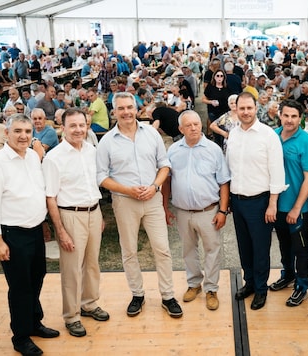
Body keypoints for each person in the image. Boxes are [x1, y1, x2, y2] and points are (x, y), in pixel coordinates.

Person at [96, 92, 183, 318]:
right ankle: (137, 294)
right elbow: (101, 177)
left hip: (152, 199)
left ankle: (167, 295)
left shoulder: (151, 134)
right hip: (125, 202)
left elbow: (165, 165)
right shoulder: (106, 141)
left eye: (129, 107)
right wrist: (127, 190)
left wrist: (154, 187)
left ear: (137, 109)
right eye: (121, 108)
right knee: (129, 251)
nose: (126, 112)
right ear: (113, 112)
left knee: (162, 249)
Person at [0, 114, 60, 356]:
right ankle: (21, 336)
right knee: (20, 287)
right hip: (12, 233)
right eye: (17, 131)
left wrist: (44, 223)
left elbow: (37, 192)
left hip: (35, 230)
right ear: (7, 133)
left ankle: (34, 322)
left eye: (27, 131)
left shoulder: (31, 158)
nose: (23, 136)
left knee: (37, 277)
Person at [43, 108, 109, 338]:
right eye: (73, 126)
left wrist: (98, 214)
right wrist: (60, 230)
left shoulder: (92, 150)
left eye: (82, 125)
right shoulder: (53, 158)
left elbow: (94, 185)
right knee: (71, 269)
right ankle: (71, 316)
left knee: (92, 264)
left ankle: (89, 304)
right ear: (62, 127)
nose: (78, 130)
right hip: (70, 215)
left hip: (93, 212)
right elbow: (50, 196)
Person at [162, 110, 231, 311]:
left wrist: (223, 211)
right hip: (183, 211)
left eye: (196, 124)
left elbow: (223, 182)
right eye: (188, 125)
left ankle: (211, 288)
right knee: (188, 250)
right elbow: (167, 180)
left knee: (212, 250)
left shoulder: (213, 150)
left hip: (208, 211)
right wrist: (165, 207)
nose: (193, 128)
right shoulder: (173, 150)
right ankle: (194, 284)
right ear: (180, 129)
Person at [227, 92, 286, 310]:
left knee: (261, 248)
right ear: (237, 110)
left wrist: (272, 203)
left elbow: (277, 172)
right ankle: (249, 282)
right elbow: (229, 167)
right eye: (241, 108)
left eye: (249, 108)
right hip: (238, 200)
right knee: (244, 246)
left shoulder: (267, 135)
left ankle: (261, 289)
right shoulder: (233, 134)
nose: (245, 112)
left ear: (255, 109)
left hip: (260, 201)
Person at [266, 100, 308, 307]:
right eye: (286, 115)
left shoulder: (306, 141)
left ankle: (302, 285)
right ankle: (287, 275)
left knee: (300, 249)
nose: (289, 120)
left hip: (298, 208)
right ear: (280, 115)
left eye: (294, 116)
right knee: (283, 245)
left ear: (300, 118)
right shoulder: (272, 136)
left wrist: (297, 208)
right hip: (276, 205)